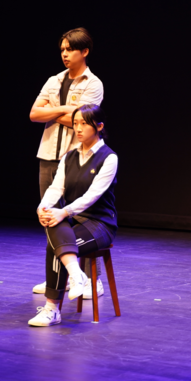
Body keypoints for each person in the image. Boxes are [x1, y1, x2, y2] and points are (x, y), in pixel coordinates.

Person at [29, 27, 106, 299]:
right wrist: (65, 110)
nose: (64, 54)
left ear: (84, 51)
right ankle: (57, 278)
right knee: (49, 216)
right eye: (62, 49)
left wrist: (53, 111)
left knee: (81, 217)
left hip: (77, 158)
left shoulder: (93, 84)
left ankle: (92, 280)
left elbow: (82, 120)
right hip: (48, 155)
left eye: (70, 49)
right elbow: (34, 113)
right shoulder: (54, 80)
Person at [29, 104, 118, 326]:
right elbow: (56, 188)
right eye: (75, 123)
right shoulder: (69, 157)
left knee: (56, 246)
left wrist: (64, 211)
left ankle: (52, 309)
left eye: (84, 124)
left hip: (99, 224)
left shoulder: (109, 158)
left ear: (99, 126)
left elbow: (93, 195)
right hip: (74, 221)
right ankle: (77, 275)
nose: (77, 128)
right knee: (53, 222)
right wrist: (43, 207)